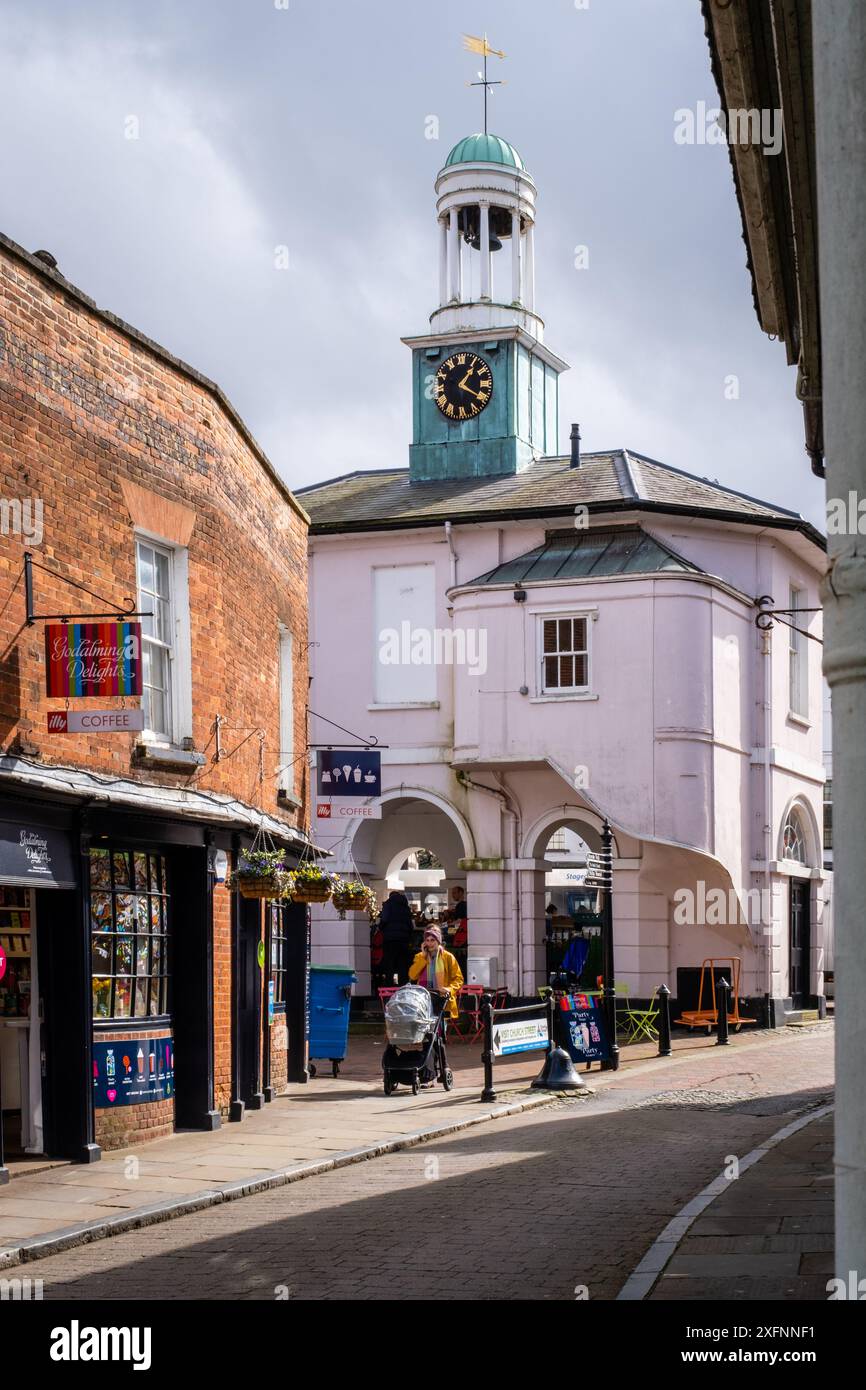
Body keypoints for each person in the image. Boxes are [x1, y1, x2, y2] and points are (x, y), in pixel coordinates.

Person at [408, 925, 464, 1026]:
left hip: (442, 999)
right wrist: (423, 958)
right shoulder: (420, 956)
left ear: (438, 941)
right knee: (426, 1033)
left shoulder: (448, 957)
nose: (430, 943)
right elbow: (412, 975)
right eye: (427, 940)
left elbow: (458, 979)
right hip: (424, 999)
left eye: (432, 940)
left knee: (439, 1032)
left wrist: (449, 989)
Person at [378, 889, 414, 985]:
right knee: (402, 964)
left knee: (389, 963)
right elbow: (410, 925)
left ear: (390, 896)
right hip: (404, 940)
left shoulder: (388, 904)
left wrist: (380, 927)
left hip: (390, 939)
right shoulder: (405, 907)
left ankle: (389, 985)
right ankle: (403, 985)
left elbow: (384, 919)